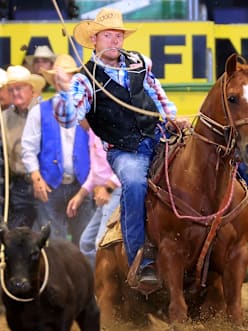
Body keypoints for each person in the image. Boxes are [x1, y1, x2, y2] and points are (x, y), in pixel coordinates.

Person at [53, 8, 180, 285]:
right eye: (108, 35)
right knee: (134, 185)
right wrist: (64, 91)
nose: (114, 41)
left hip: (157, 136)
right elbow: (67, 118)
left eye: (118, 35)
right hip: (124, 150)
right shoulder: (84, 79)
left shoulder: (139, 62)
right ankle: (140, 262)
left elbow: (156, 91)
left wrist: (172, 116)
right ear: (95, 40)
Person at [21, 54, 94, 246]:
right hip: (50, 184)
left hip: (82, 185)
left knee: (85, 242)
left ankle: (84, 276)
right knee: (54, 245)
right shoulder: (39, 111)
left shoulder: (88, 111)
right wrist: (36, 178)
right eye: (61, 77)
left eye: (69, 77)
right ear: (54, 81)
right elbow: (28, 147)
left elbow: (98, 146)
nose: (65, 81)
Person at [67, 126, 121, 267]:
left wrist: (107, 188)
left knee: (101, 243)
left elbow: (125, 165)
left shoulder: (110, 128)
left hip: (116, 192)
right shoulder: (92, 133)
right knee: (86, 242)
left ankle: (108, 285)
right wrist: (80, 195)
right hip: (103, 194)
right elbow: (95, 172)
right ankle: (95, 281)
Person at [4, 65, 45, 229]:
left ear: (32, 90)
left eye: (19, 88)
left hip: (44, 181)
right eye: (11, 89)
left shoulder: (44, 112)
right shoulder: (5, 117)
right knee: (17, 235)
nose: (15, 93)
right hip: (19, 183)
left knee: (45, 233)